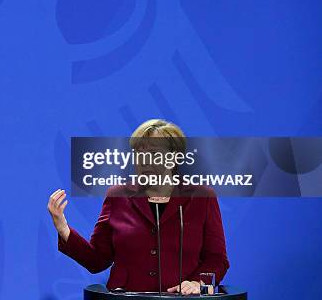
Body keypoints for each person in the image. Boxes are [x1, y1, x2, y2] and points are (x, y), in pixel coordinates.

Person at [48, 119, 229, 294]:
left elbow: (216, 259)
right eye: (139, 153)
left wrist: (197, 283)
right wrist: (63, 228)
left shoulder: (202, 197)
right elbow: (97, 260)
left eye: (152, 154)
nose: (144, 161)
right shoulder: (117, 196)